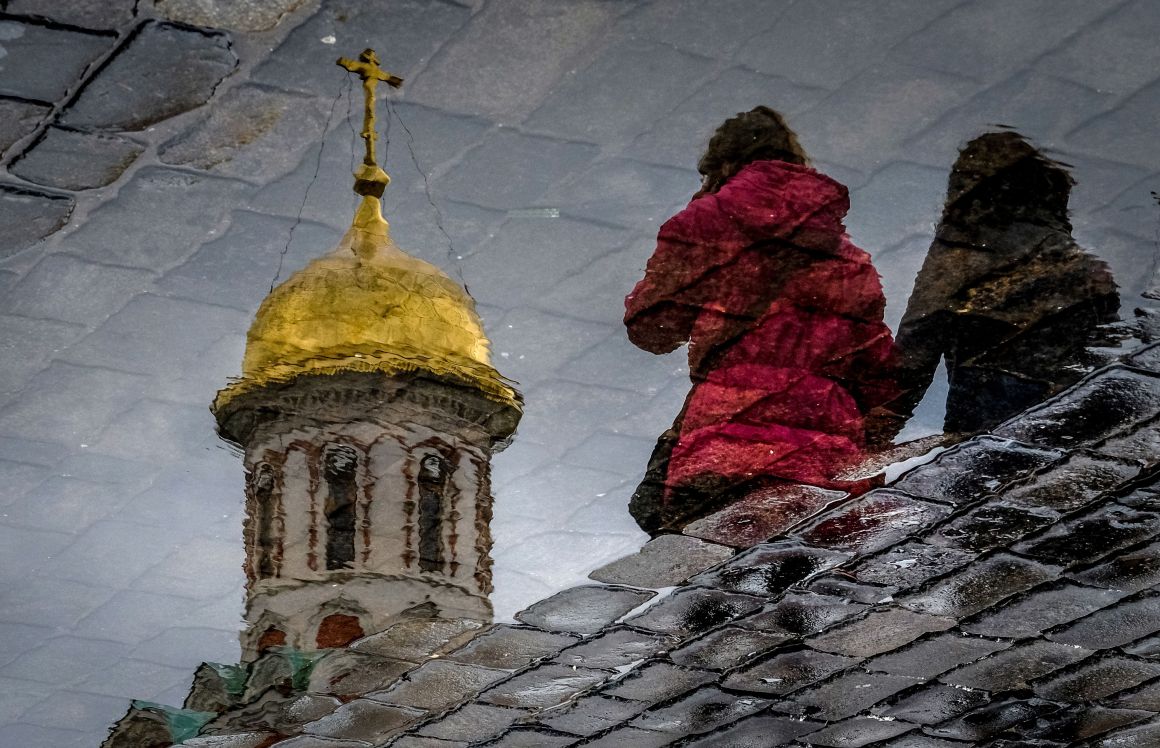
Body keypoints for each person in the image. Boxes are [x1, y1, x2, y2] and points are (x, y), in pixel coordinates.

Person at [624, 107, 899, 534]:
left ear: (721, 166)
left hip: (730, 431)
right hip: (829, 439)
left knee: (712, 575)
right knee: (816, 581)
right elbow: (879, 372)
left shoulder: (704, 223)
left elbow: (651, 328)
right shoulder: (850, 259)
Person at [891, 131, 1119, 434]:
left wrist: (886, 419)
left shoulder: (964, 245)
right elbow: (1108, 334)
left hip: (989, 401)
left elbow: (920, 335)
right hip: (1073, 402)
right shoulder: (1072, 253)